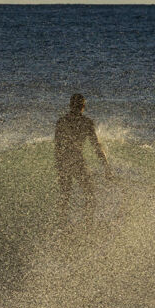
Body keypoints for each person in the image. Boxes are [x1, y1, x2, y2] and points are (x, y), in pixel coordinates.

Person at [54, 93, 112, 226]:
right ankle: (88, 224)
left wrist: (60, 166)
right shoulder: (86, 122)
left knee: (65, 196)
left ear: (70, 105)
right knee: (89, 194)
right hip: (78, 161)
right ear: (83, 107)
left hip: (63, 162)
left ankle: (62, 226)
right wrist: (106, 167)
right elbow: (96, 147)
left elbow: (57, 147)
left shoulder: (61, 122)